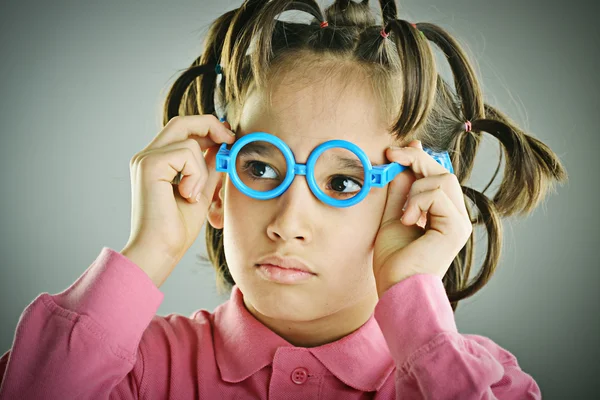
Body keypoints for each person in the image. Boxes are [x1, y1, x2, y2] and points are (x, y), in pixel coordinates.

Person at [0, 0, 567, 398]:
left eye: (343, 183)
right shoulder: (139, 368)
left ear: (412, 206)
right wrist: (148, 250)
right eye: (261, 167)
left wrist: (415, 306)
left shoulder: (474, 379)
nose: (288, 223)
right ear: (218, 187)